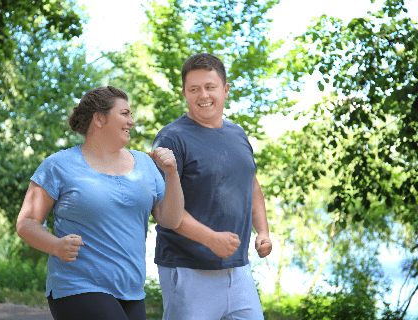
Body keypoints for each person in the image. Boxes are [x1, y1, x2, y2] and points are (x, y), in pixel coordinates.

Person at [16, 86, 184, 320]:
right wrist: (55, 245)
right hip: (77, 286)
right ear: (99, 119)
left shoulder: (145, 164)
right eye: (125, 114)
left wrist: (172, 173)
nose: (132, 122)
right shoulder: (59, 165)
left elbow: (172, 219)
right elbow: (26, 223)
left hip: (132, 290)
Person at [152, 53, 273, 320]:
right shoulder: (171, 138)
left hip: (238, 270)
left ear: (225, 90)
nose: (202, 95)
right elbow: (163, 210)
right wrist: (210, 239)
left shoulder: (238, 135)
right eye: (194, 89)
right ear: (184, 93)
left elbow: (251, 186)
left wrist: (262, 232)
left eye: (210, 87)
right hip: (187, 271)